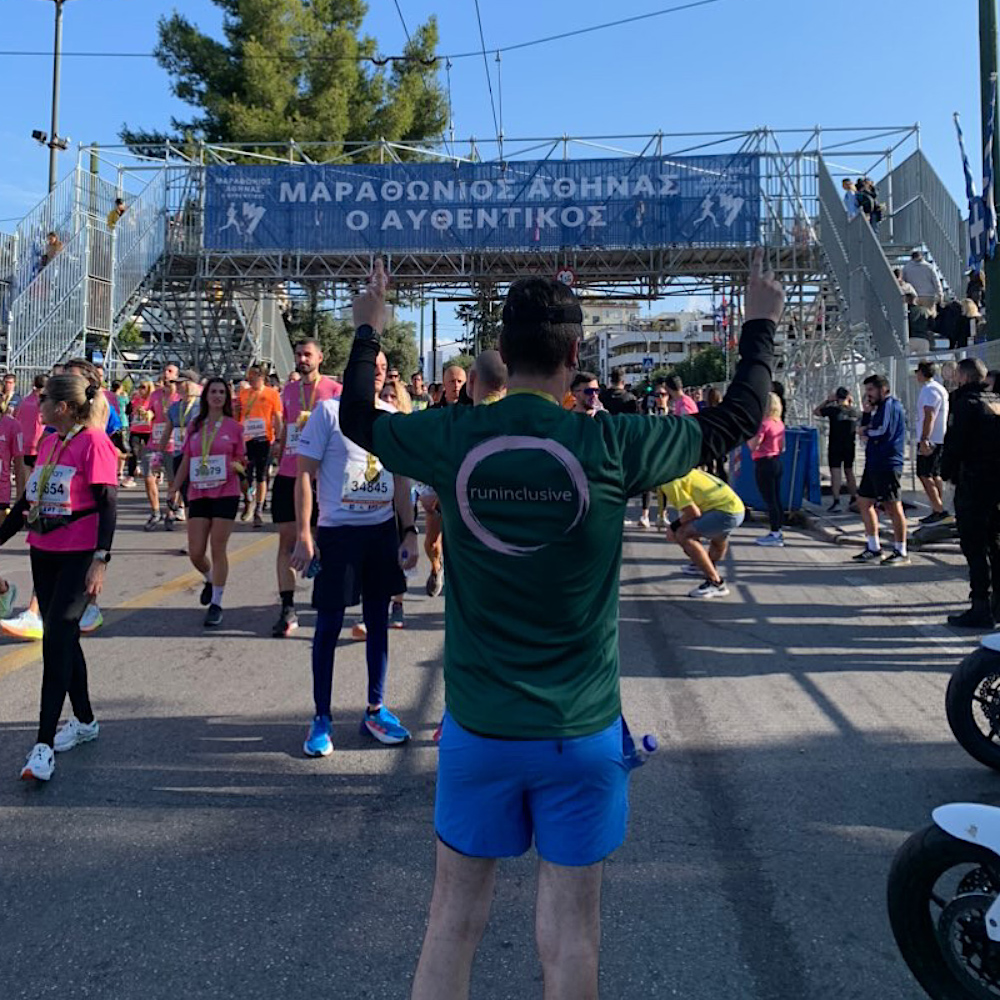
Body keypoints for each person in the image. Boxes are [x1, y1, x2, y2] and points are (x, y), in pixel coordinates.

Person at [336, 252, 780, 1000]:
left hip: (478, 730)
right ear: (577, 357)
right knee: (572, 937)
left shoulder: (454, 436)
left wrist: (368, 329)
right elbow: (740, 414)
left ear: (503, 356)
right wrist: (760, 318)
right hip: (581, 731)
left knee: (450, 923)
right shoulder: (612, 444)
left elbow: (357, 417)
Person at [290, 350, 416, 755]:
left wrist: (409, 531)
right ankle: (321, 718)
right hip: (338, 534)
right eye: (371, 367)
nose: (378, 374)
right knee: (328, 627)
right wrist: (305, 534)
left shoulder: (390, 415)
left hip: (380, 533)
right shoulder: (328, 412)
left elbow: (400, 481)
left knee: (378, 624)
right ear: (355, 371)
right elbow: (304, 475)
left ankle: (376, 709)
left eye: (382, 368)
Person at [0, 374, 116, 781]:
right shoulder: (49, 441)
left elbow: (108, 505)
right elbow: (26, 502)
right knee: (62, 636)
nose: (39, 402)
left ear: (64, 407)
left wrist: (101, 559)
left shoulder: (95, 442)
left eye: (45, 398)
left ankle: (43, 746)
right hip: (43, 550)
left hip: (79, 554)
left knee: (56, 640)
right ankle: (85, 721)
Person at [270, 339, 340, 638]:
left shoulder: (335, 391)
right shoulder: (287, 391)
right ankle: (287, 607)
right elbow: (287, 427)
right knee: (286, 540)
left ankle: (325, 595)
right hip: (289, 473)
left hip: (322, 477)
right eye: (298, 354)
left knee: (322, 540)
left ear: (320, 357)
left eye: (307, 354)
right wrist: (279, 450)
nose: (302, 359)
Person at [171, 377, 246, 627]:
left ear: (226, 397)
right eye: (213, 392)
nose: (217, 396)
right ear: (206, 397)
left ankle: (217, 603)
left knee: (218, 547)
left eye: (221, 392)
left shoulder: (234, 427)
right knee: (195, 552)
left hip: (226, 492)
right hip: (198, 492)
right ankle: (210, 578)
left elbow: (242, 461)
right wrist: (173, 488)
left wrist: (236, 466)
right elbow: (185, 459)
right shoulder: (195, 425)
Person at [941, 358, 1000, 627]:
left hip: (974, 483)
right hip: (996, 485)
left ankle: (980, 607)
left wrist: (946, 474)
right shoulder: (995, 401)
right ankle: (996, 604)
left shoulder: (965, 403)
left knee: (974, 545)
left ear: (964, 377)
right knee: (994, 545)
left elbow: (955, 444)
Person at [662, 469, 745, 598]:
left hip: (725, 513)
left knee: (683, 535)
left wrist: (672, 527)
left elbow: (693, 512)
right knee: (718, 539)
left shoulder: (669, 482)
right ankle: (704, 564)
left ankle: (716, 583)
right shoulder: (686, 470)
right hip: (735, 507)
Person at [852, 374, 908, 566]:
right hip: (874, 462)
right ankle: (873, 547)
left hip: (887, 463)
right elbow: (867, 426)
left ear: (882, 389)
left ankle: (901, 550)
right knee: (864, 501)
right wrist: (866, 414)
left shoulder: (890, 406)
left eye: (871, 390)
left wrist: (865, 431)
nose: (868, 395)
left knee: (893, 506)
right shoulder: (876, 409)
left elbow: (883, 431)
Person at [237, 364, 283, 528]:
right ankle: (248, 500)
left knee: (261, 475)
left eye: (255, 375)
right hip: (247, 439)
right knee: (245, 474)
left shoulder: (272, 394)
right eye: (250, 375)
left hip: (265, 439)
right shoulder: (243, 393)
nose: (252, 378)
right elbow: (238, 416)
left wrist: (279, 439)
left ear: (262, 377)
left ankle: (258, 509)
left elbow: (277, 417)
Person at [160, 370, 202, 529]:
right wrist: (159, 452)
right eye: (176, 383)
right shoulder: (174, 407)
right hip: (179, 454)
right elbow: (167, 431)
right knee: (186, 494)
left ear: (191, 384)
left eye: (181, 383)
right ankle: (193, 535)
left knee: (197, 495)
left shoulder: (203, 405)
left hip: (199, 456)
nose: (177, 386)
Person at [144, 364, 180, 530]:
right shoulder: (155, 394)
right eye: (165, 371)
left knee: (173, 482)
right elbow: (149, 410)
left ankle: (170, 513)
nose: (166, 374)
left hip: (174, 444)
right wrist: (146, 414)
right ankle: (155, 511)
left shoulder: (180, 396)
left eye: (170, 371)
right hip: (155, 443)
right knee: (149, 476)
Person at [913, 361, 949, 525]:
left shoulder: (929, 390)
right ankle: (937, 508)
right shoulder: (938, 388)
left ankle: (940, 510)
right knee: (934, 474)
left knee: (924, 474)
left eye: (917, 371)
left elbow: (930, 414)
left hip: (931, 439)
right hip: (937, 438)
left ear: (922, 372)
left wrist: (924, 439)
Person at [748, 392, 786, 546]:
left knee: (769, 500)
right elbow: (782, 446)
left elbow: (753, 446)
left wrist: (749, 437)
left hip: (764, 462)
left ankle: (775, 533)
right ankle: (778, 529)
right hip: (776, 460)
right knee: (776, 498)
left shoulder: (764, 424)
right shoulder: (779, 423)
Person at [814, 388, 859, 512]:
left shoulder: (833, 410)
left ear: (837, 397)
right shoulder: (854, 412)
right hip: (850, 445)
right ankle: (854, 497)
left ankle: (836, 500)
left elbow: (816, 411)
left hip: (835, 445)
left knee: (836, 472)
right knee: (849, 471)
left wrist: (827, 401)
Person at [13, 374, 46, 495]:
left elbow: (17, 418)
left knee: (25, 482)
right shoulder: (43, 404)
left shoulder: (24, 401)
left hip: (25, 444)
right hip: (39, 445)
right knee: (38, 482)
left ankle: (24, 507)